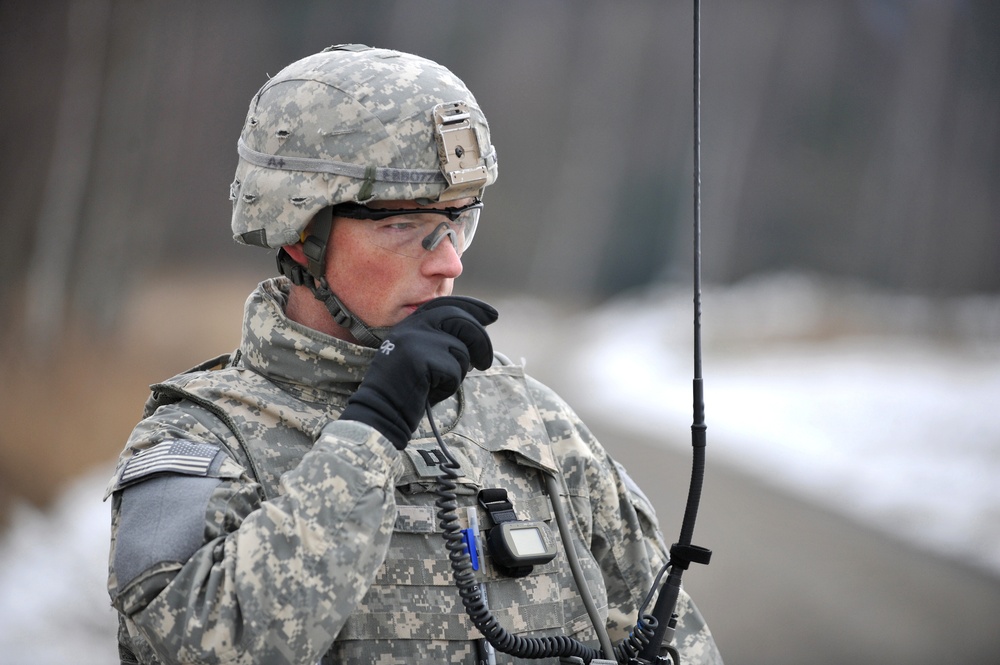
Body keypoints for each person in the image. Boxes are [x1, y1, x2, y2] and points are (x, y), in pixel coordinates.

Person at [105, 44, 723, 665]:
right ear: (299, 234)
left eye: (460, 219)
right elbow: (195, 646)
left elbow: (668, 637)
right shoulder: (199, 437)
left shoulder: (537, 425)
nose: (449, 261)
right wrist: (373, 429)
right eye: (404, 224)